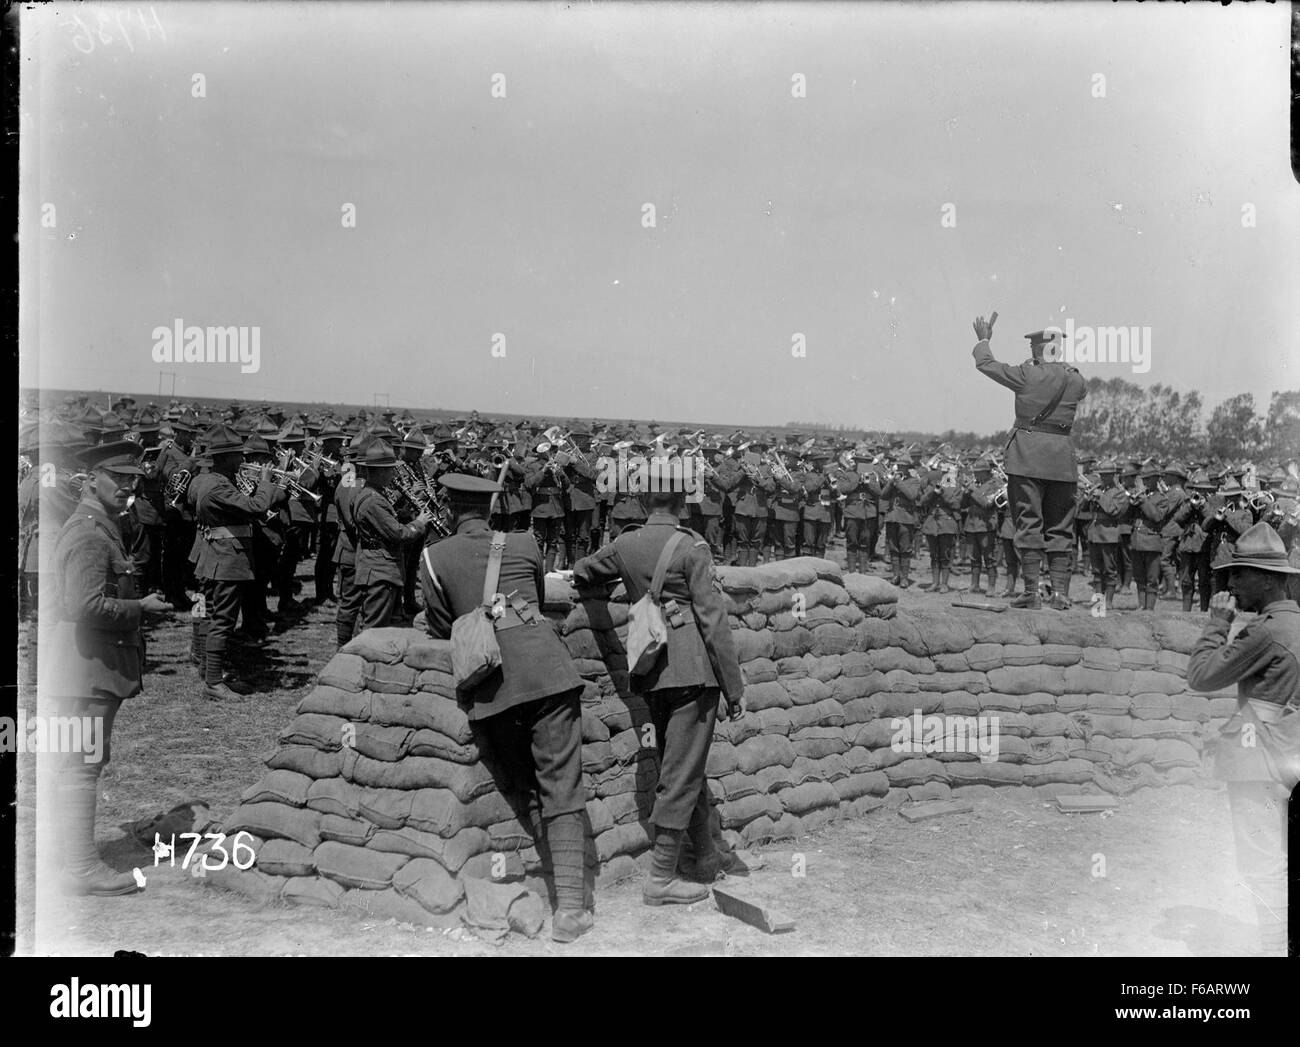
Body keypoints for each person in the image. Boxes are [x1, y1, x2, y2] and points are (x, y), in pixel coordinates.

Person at [418, 473, 592, 944]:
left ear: (450, 507)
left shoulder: (433, 556)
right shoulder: (525, 543)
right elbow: (533, 601)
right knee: (561, 785)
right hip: (548, 673)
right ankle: (571, 909)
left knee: (524, 784)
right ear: (492, 508)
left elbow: (440, 625)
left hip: (492, 689)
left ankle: (544, 877)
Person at [573, 483, 746, 905]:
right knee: (681, 772)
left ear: (646, 504)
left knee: (683, 766)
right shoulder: (692, 546)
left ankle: (703, 857)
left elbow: (582, 571)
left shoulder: (625, 542)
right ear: (683, 505)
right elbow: (712, 620)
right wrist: (733, 686)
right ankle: (661, 878)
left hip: (650, 668)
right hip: (691, 671)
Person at [43, 440, 172, 894]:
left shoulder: (102, 526)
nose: (127, 487)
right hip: (88, 668)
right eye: (117, 478)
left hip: (85, 666)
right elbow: (85, 606)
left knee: (76, 762)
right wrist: (141, 606)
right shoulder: (89, 534)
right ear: (91, 479)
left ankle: (68, 860)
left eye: (132, 480)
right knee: (82, 763)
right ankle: (79, 868)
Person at [1186, 522, 1300, 957]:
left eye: (1240, 573)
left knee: (1263, 863)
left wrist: (1217, 624)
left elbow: (1202, 677)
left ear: (1269, 579)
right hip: (1290, 753)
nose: (1231, 582)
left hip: (1260, 762)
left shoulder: (1266, 631)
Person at [971, 314, 1087, 610]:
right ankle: (1060, 594)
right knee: (1061, 527)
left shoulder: (1027, 374)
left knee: (1028, 523)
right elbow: (1079, 393)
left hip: (1027, 458)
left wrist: (984, 340)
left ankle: (1032, 592)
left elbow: (986, 365)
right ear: (1057, 349)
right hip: (1062, 462)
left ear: (1037, 350)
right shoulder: (1075, 378)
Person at [190, 425, 288, 699]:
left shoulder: (212, 481)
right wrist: (267, 481)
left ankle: (211, 672)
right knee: (223, 619)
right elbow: (256, 507)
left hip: (217, 554)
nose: (243, 461)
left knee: (212, 615)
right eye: (237, 455)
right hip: (226, 558)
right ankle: (213, 682)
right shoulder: (217, 487)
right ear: (224, 458)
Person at [347, 440, 434, 633]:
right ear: (377, 472)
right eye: (389, 470)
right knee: (374, 627)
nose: (393, 474)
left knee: (379, 623)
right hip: (379, 569)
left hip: (379, 566)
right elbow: (397, 533)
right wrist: (419, 523)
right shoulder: (373, 500)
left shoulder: (374, 495)